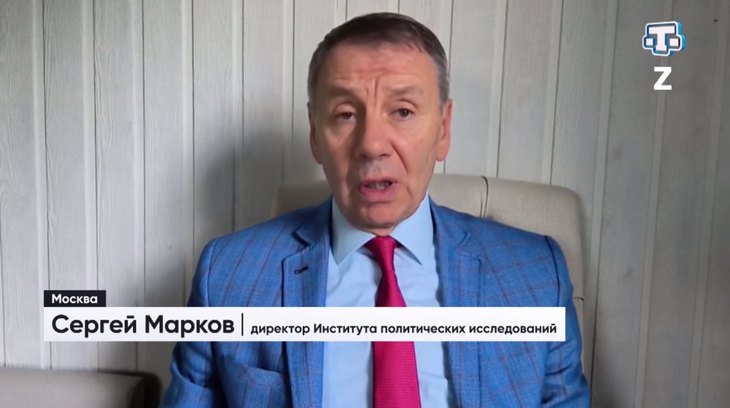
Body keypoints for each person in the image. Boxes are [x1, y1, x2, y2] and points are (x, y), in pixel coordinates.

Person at [160, 12, 590, 408]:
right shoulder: (226, 276)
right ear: (316, 135)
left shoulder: (537, 275)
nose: (372, 144)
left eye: (402, 111)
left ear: (443, 129)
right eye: (346, 114)